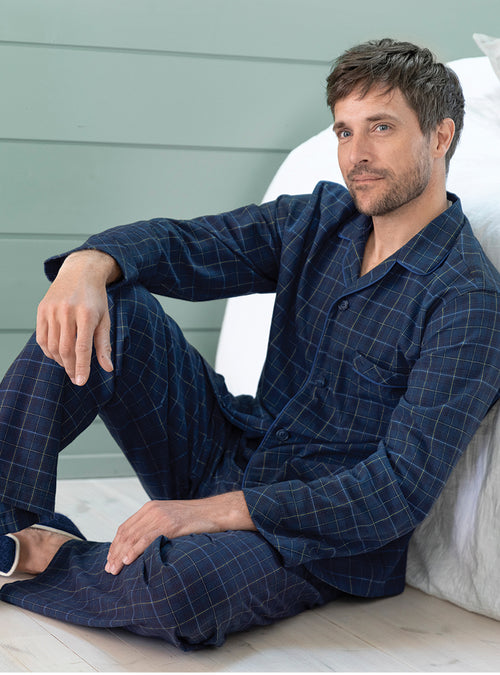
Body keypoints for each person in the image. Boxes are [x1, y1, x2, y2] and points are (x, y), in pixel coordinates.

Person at [0, 38, 498, 649]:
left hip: (310, 538)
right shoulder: (319, 219)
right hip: (232, 451)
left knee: (179, 595)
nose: (357, 155)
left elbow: (396, 490)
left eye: (381, 127)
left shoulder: (467, 301)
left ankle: (42, 556)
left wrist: (217, 512)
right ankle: (6, 524)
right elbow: (190, 245)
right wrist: (87, 264)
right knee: (108, 305)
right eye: (344, 131)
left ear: (441, 137)